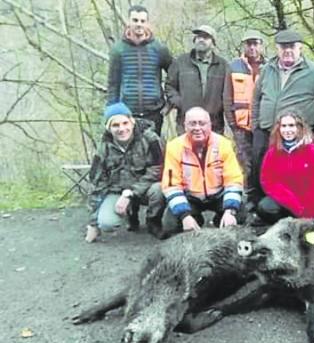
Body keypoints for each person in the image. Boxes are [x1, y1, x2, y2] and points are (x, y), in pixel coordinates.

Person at [248, 29, 314, 210]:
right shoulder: (267, 69)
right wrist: (255, 123)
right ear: (277, 48)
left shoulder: (313, 72)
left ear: (300, 48)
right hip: (265, 129)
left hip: (296, 133)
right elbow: (256, 98)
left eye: (292, 47)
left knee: (294, 173)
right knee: (258, 168)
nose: (287, 51)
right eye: (283, 47)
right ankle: (258, 207)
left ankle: (298, 207)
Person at [85, 102, 165, 242]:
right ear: (108, 128)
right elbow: (97, 184)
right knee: (106, 223)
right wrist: (93, 223)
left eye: (125, 123)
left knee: (159, 189)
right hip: (116, 191)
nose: (121, 129)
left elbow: (158, 168)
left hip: (144, 188)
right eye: (115, 125)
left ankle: (153, 221)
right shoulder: (103, 149)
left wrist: (130, 193)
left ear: (132, 122)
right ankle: (130, 214)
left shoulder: (151, 139)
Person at [161, 107, 245, 236]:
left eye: (202, 123)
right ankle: (195, 220)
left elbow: (233, 180)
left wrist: (230, 211)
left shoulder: (224, 144)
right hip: (191, 196)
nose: (197, 128)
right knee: (170, 224)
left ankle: (220, 222)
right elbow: (171, 185)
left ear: (210, 125)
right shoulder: (174, 147)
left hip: (218, 195)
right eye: (192, 123)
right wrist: (185, 215)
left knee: (240, 214)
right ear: (185, 126)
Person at [107, 5, 172, 136]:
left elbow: (175, 75)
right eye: (135, 20)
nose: (139, 24)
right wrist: (112, 112)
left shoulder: (159, 48)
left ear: (147, 23)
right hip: (128, 113)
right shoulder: (118, 49)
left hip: (154, 112)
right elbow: (113, 84)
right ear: (128, 22)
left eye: (142, 21)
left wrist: (170, 103)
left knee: (153, 151)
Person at [257, 112, 314, 224]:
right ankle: (283, 226)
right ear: (278, 128)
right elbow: (268, 181)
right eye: (284, 126)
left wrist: (313, 214)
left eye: (291, 125)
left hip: (308, 206)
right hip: (287, 203)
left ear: (299, 127)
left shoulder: (313, 151)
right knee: (265, 207)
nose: (287, 130)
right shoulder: (272, 152)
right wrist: (292, 203)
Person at [166, 24, 230, 135]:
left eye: (205, 37)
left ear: (213, 43)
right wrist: (180, 103)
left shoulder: (223, 65)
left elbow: (228, 92)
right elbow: (169, 86)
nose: (201, 39)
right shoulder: (180, 62)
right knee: (185, 152)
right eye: (198, 37)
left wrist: (219, 106)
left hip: (214, 124)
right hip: (186, 123)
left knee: (213, 152)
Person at [224, 30, 267, 183]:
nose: (252, 48)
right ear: (244, 46)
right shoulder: (233, 66)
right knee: (244, 163)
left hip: (263, 125)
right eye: (249, 44)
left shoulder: (269, 67)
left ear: (261, 46)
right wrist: (233, 125)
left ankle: (264, 195)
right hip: (241, 126)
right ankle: (248, 197)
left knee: (263, 161)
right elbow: (227, 97)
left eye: (255, 44)